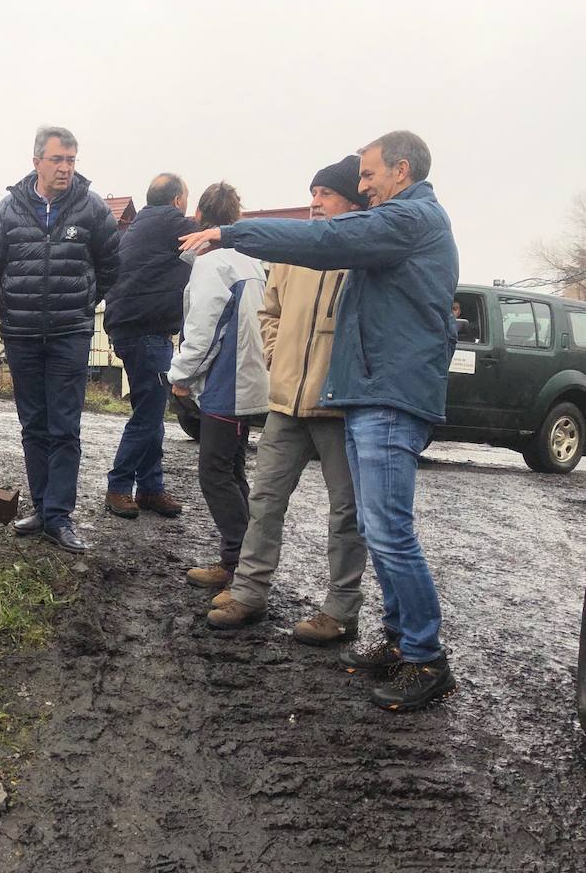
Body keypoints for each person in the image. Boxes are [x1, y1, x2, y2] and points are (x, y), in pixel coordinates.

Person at [179, 130, 459, 712]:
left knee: (386, 529)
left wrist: (233, 232)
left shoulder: (410, 221)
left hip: (387, 397)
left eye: (368, 175)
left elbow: (326, 241)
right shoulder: (401, 225)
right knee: (377, 529)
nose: (362, 186)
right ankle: (402, 642)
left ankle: (427, 657)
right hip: (363, 394)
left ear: (400, 171)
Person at [206, 156, 369, 644]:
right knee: (265, 498)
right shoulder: (295, 252)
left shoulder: (366, 251)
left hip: (339, 407)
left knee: (346, 512)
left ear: (352, 202)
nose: (314, 203)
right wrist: (278, 357)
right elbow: (269, 310)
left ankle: (341, 609)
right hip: (286, 402)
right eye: (313, 192)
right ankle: (248, 592)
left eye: (324, 194)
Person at [0, 125, 119, 553]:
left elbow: (111, 265)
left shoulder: (91, 209)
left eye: (71, 160)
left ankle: (58, 516)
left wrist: (85, 303)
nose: (66, 168)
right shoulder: (9, 210)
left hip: (69, 333)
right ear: (37, 162)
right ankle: (42, 505)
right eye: (57, 160)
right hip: (22, 334)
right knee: (34, 424)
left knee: (65, 425)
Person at [167, 182, 268, 590]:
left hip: (228, 384)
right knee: (232, 469)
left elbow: (204, 332)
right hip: (249, 379)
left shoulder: (214, 266)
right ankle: (247, 562)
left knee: (214, 472)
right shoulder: (250, 262)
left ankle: (237, 565)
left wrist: (180, 378)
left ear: (199, 220)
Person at [101, 173, 195, 520]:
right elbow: (212, 237)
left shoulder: (137, 226)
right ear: (176, 200)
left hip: (127, 328)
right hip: (148, 331)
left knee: (151, 410)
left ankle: (151, 488)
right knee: (148, 414)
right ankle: (119, 486)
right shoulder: (174, 224)